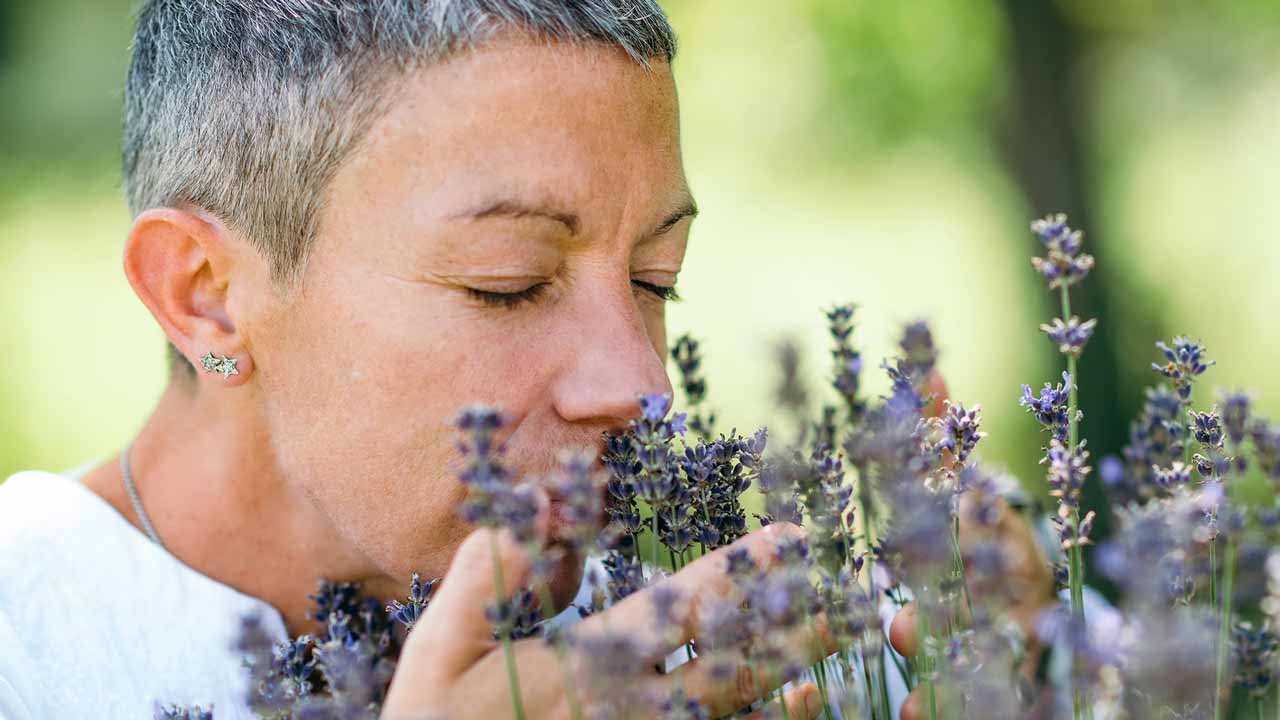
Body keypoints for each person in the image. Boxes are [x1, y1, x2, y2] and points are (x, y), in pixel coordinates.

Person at [0, 2, 1058, 718]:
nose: (644, 387)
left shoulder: (679, 623)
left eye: (655, 279)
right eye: (506, 282)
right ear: (204, 294)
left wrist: (1029, 654)